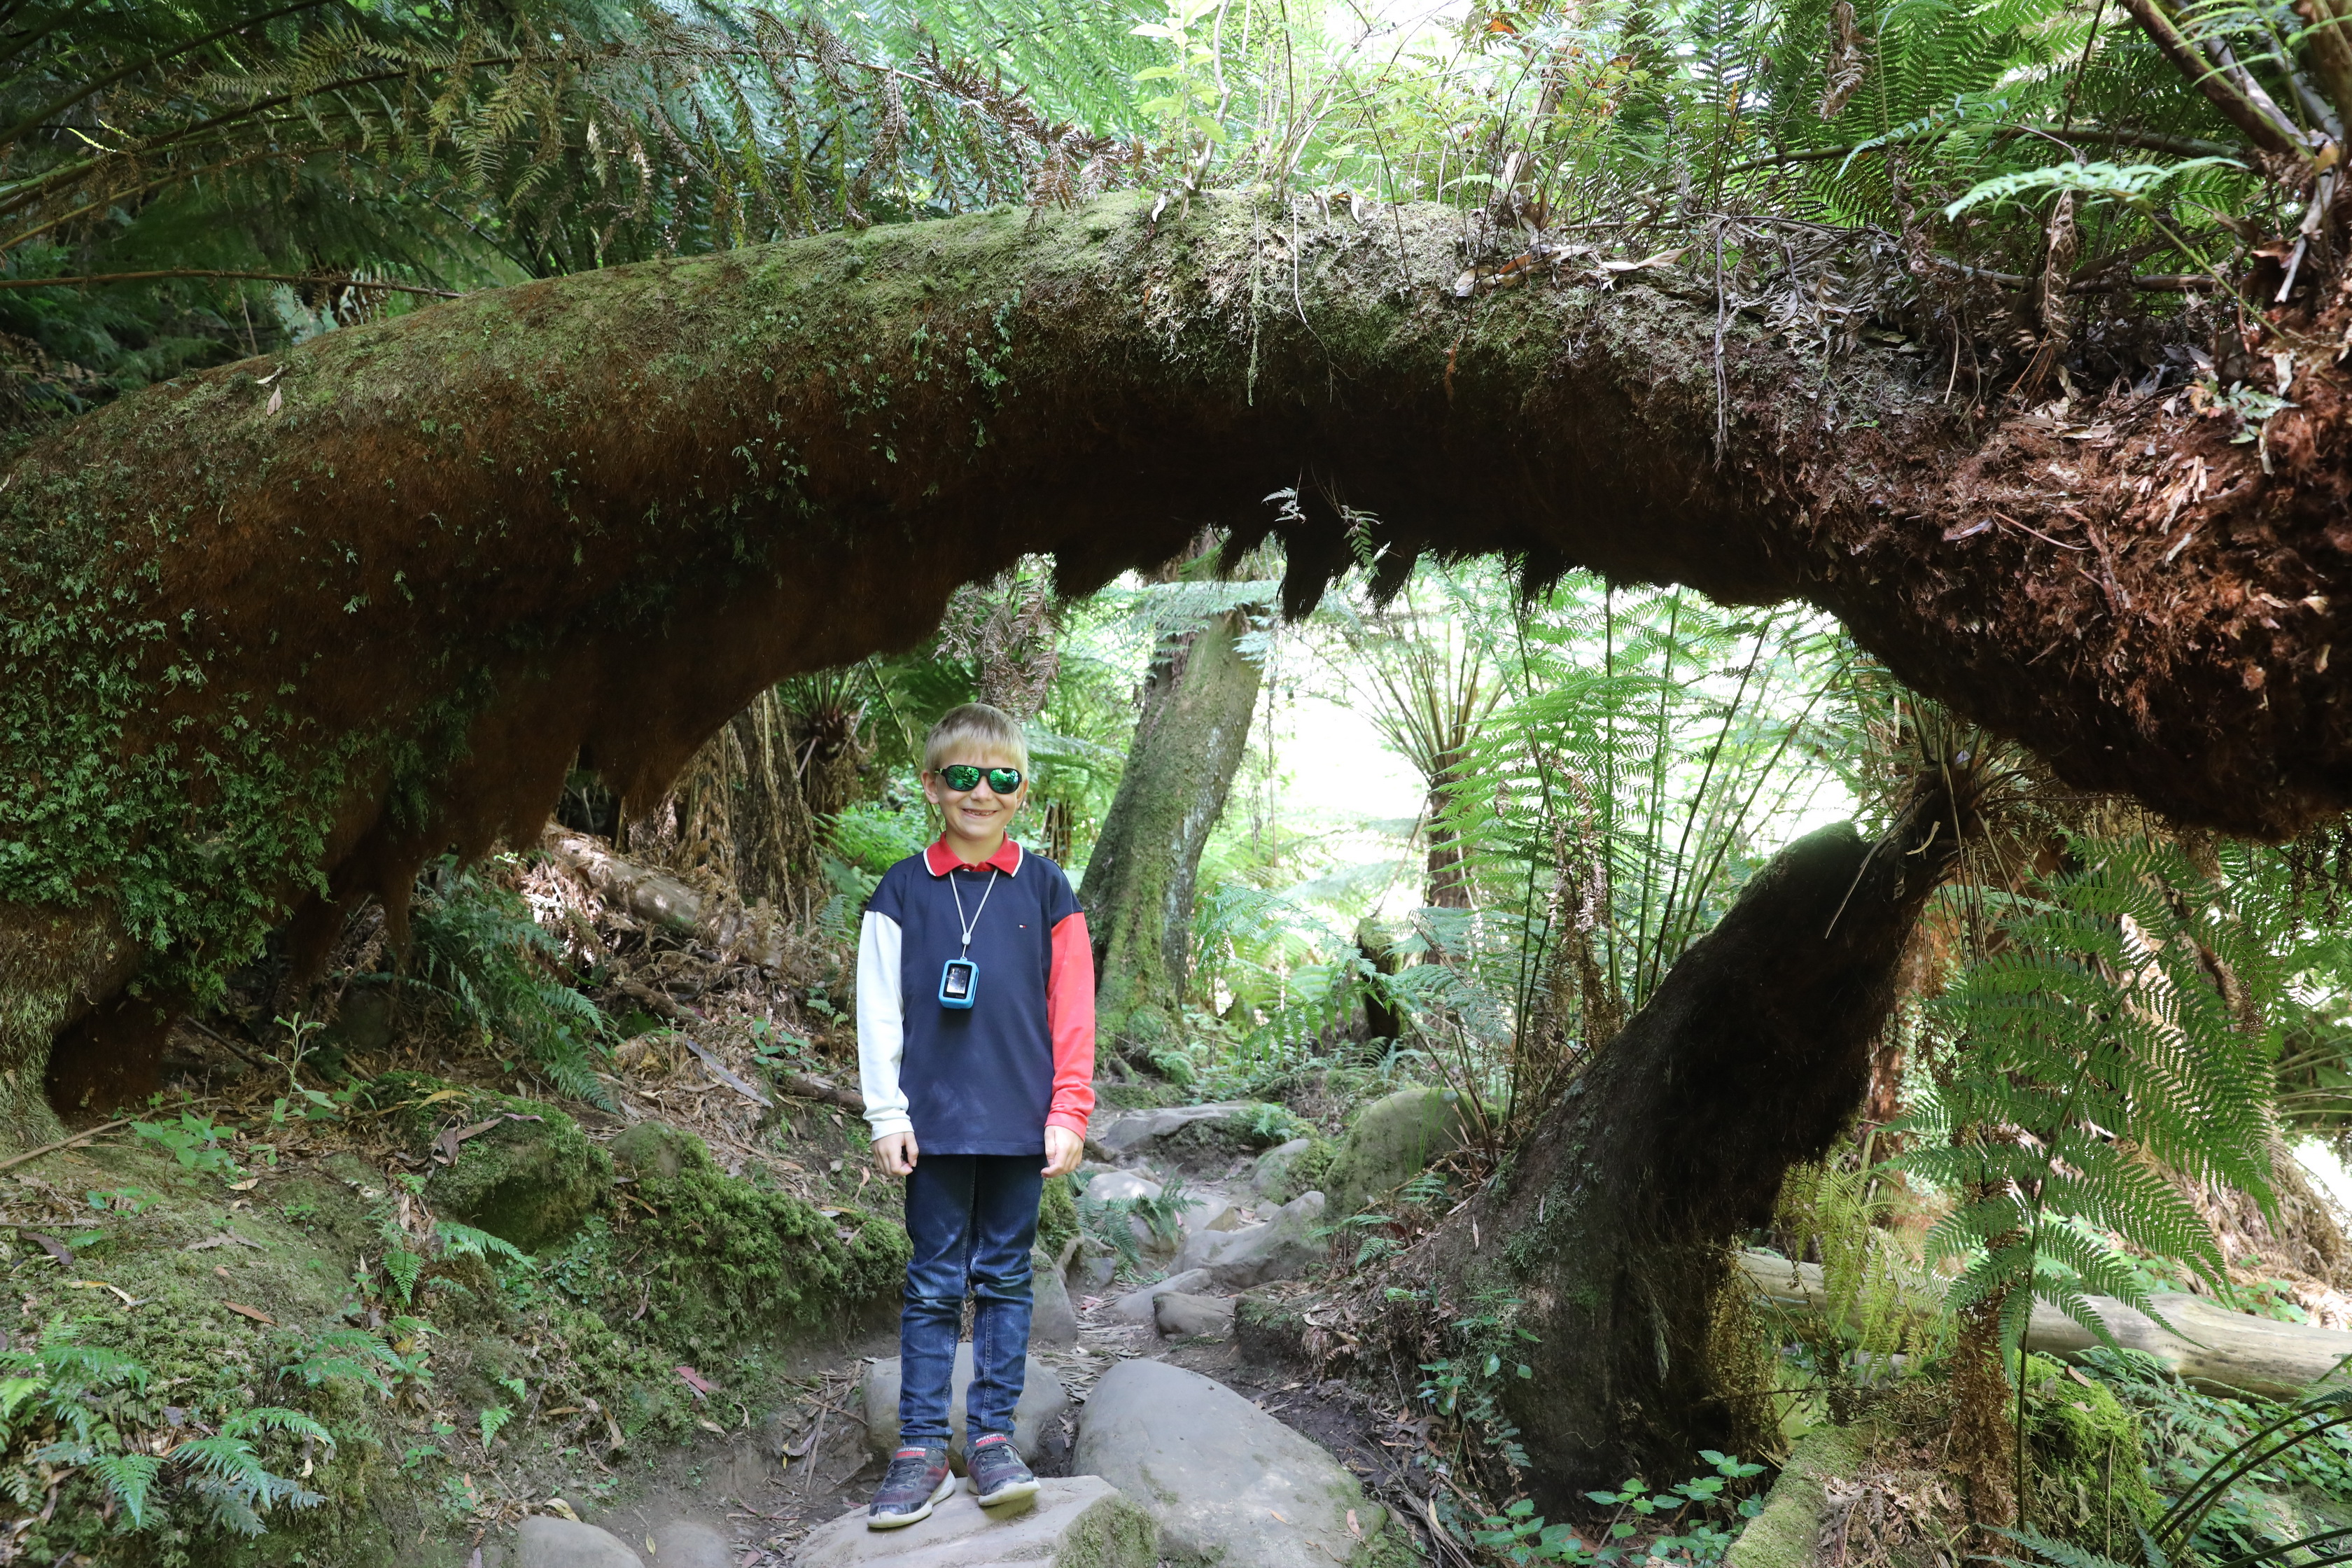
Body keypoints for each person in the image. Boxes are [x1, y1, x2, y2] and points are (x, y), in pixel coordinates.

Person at [855, 702, 1094, 1527]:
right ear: (932, 786)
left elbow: (1073, 1009)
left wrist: (1070, 1107)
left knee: (1003, 1279)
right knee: (930, 1283)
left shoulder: (1046, 886)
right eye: (962, 776)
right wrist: (887, 1112)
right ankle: (920, 1446)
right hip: (933, 1122)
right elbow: (878, 1012)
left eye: (1000, 777)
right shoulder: (902, 889)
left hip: (1021, 1122)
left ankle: (991, 1437)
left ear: (1022, 790)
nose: (980, 792)